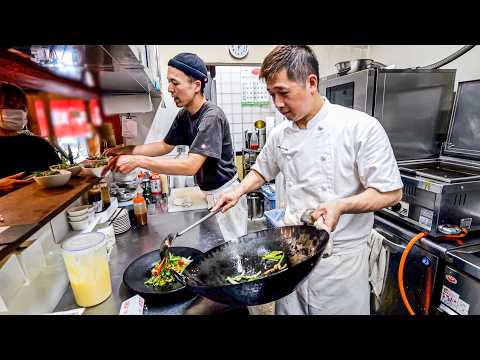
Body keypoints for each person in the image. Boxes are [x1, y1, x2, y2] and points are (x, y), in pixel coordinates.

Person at [212, 45, 403, 315]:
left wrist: (341, 205)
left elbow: (390, 193)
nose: (277, 103)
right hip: (292, 259)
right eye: (272, 94)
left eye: (283, 92)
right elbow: (262, 170)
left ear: (311, 82)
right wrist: (239, 190)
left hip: (339, 266)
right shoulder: (280, 135)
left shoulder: (360, 127)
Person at [103, 52, 248, 241]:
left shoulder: (211, 117)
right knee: (215, 250)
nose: (170, 89)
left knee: (233, 252)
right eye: (169, 82)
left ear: (196, 85)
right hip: (208, 194)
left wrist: (138, 160)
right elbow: (164, 146)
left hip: (225, 195)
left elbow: (190, 167)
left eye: (175, 82)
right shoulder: (185, 115)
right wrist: (126, 150)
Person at [0, 82, 60, 195]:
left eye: (22, 107)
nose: (18, 111)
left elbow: (62, 172)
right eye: (11, 105)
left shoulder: (40, 145)